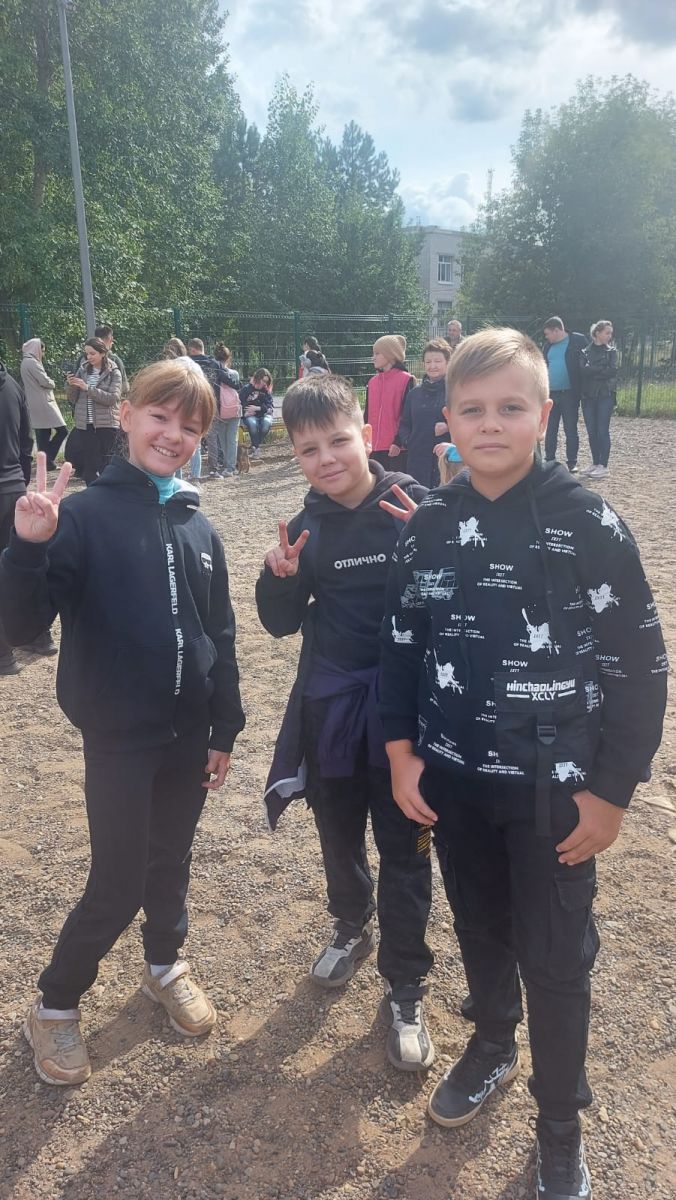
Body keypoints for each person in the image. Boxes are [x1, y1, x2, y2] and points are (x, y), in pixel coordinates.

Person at [379, 328, 666, 1199]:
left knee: (555, 956)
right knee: (480, 926)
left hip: (555, 794)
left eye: (511, 407)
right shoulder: (430, 525)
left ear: (544, 414)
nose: (491, 424)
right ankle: (493, 1041)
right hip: (454, 784)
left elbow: (639, 664)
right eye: (473, 409)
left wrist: (611, 793)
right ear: (448, 419)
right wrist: (401, 755)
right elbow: (401, 648)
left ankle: (559, 1128)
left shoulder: (589, 524)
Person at [0, 357, 245, 1087]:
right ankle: (55, 1002)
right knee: (118, 879)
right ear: (128, 415)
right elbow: (20, 626)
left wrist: (224, 728)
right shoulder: (82, 517)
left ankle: (165, 965)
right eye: (160, 417)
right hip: (118, 738)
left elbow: (220, 632)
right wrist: (27, 547)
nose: (173, 435)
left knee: (171, 860)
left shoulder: (197, 524)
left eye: (190, 426)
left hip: (188, 734)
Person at [256, 374, 435, 1072]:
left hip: (403, 712)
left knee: (406, 844)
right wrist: (278, 579)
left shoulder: (414, 505)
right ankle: (351, 922)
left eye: (337, 441)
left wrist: (435, 549)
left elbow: (459, 606)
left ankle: (407, 985)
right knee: (337, 829)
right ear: (296, 456)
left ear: (366, 434)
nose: (326, 459)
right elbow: (278, 625)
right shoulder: (305, 528)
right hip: (330, 706)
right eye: (308, 450)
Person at [0, 360, 34, 675]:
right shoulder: (12, 385)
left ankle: (3, 655)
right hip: (13, 486)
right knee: (15, 564)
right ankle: (39, 636)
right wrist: (21, 481)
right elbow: (27, 440)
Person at [391, 338, 451, 486]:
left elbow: (469, 421)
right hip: (417, 462)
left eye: (438, 361)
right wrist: (409, 441)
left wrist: (449, 427)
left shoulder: (456, 392)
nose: (432, 366)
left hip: (446, 462)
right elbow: (405, 424)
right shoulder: (414, 394)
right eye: (428, 361)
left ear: (448, 362)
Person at [67, 336, 122, 485]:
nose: (89, 357)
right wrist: (71, 385)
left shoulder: (114, 372)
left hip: (106, 423)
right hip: (86, 424)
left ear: (102, 353)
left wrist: (88, 388)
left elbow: (112, 398)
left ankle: (108, 490)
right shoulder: (82, 370)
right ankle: (92, 491)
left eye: (92, 353)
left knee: (106, 461)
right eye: (87, 354)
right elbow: (73, 398)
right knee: (90, 462)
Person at [542, 316, 587, 473]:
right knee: (551, 429)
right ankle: (549, 459)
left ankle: (572, 462)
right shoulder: (547, 346)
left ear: (556, 330)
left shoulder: (578, 341)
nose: (546, 337)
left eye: (547, 333)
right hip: (551, 394)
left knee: (570, 429)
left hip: (570, 393)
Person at [364, 335, 415, 469]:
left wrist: (398, 442)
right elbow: (367, 415)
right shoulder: (372, 382)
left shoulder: (406, 380)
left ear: (390, 354)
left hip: (395, 449)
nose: (373, 357)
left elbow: (407, 415)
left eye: (377, 353)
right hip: (373, 448)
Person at [20, 339, 68, 470]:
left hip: (35, 402)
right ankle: (48, 458)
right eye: (42, 351)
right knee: (62, 431)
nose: (43, 354)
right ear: (36, 349)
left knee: (43, 434)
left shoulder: (25, 362)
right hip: (44, 402)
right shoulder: (32, 363)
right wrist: (52, 382)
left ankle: (47, 463)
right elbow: (45, 381)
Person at [579, 320, 618, 481]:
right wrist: (600, 370)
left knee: (602, 430)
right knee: (592, 431)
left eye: (610, 333)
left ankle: (603, 465)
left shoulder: (611, 351)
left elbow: (612, 371)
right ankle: (595, 463)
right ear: (597, 333)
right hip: (588, 396)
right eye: (607, 332)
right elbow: (582, 371)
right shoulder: (584, 351)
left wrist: (592, 371)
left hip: (605, 395)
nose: (610, 336)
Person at [207, 344, 241, 479]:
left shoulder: (213, 372)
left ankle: (226, 464)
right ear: (228, 358)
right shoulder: (234, 373)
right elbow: (238, 387)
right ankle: (230, 467)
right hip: (234, 409)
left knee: (222, 439)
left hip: (220, 409)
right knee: (232, 439)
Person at [240, 368, 274, 458]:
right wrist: (244, 414)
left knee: (266, 424)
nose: (265, 384)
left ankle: (255, 446)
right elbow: (239, 404)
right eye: (263, 381)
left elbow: (270, 406)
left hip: (264, 415)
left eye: (267, 382)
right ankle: (256, 448)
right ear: (258, 378)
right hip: (250, 416)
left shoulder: (266, 390)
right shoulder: (246, 389)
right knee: (252, 424)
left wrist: (258, 408)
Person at [93, 324, 129, 397]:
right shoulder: (115, 360)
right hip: (108, 402)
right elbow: (124, 388)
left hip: (87, 403)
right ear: (111, 339)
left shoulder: (83, 359)